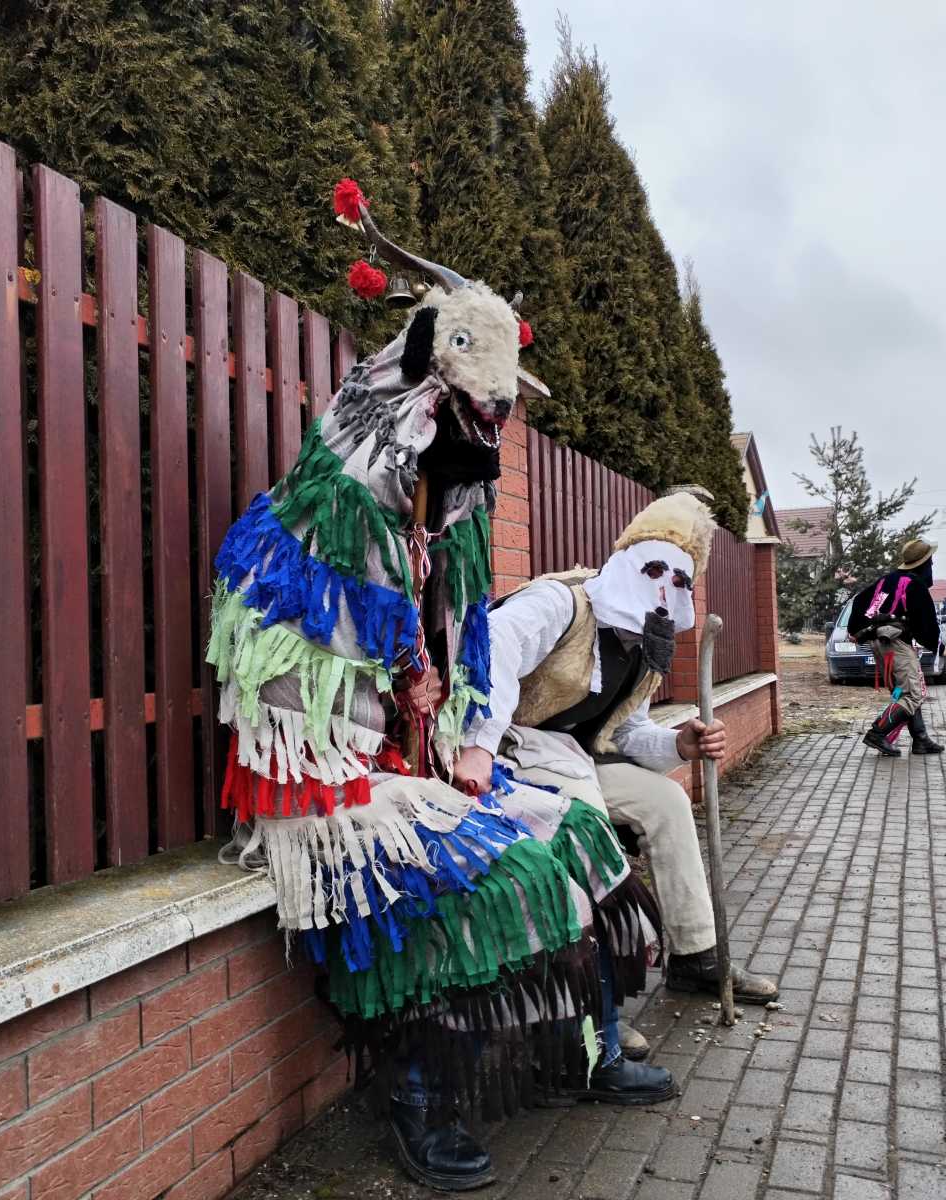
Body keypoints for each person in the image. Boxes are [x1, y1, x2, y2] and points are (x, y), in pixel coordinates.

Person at [205, 183, 670, 1192]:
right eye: (471, 412)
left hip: (414, 758)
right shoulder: (327, 515)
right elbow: (345, 665)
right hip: (325, 775)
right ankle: (421, 1097)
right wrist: (407, 695)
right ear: (421, 395)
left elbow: (462, 653)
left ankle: (583, 1055)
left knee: (578, 836)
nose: (485, 439)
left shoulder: (446, 525)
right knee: (471, 874)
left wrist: (464, 738)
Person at [450, 489, 780, 1063]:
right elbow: (492, 647)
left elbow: (627, 734)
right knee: (588, 823)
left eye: (678, 581)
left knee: (666, 803)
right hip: (505, 752)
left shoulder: (644, 648)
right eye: (652, 569)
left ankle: (695, 955)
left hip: (575, 760)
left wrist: (679, 743)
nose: (662, 587)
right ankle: (587, 1001)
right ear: (625, 562)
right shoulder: (561, 602)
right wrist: (478, 745)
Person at [847, 539, 945, 757]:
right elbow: (926, 622)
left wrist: (856, 629)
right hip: (895, 644)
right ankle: (877, 733)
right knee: (912, 694)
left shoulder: (887, 580)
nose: (932, 566)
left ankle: (920, 739)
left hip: (880, 644)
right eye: (930, 562)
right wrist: (938, 646)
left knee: (904, 691)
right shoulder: (915, 585)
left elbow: (860, 600)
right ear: (924, 564)